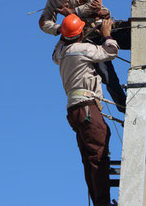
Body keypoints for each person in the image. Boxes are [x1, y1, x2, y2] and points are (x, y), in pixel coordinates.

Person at [40, 0, 126, 112]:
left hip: (102, 26)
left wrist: (72, 12)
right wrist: (61, 28)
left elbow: (96, 3)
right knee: (106, 74)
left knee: (137, 39)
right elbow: (43, 22)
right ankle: (123, 106)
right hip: (85, 38)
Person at [53, 14, 118, 206]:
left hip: (75, 110)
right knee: (98, 156)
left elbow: (58, 47)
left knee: (90, 159)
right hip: (87, 107)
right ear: (80, 34)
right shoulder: (83, 49)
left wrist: (69, 30)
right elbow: (111, 51)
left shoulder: (62, 53)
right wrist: (106, 34)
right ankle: (102, 203)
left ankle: (99, 201)